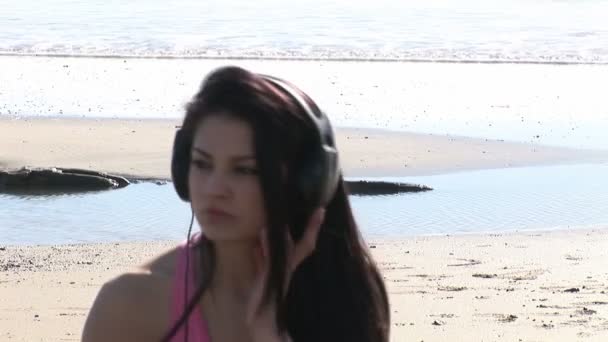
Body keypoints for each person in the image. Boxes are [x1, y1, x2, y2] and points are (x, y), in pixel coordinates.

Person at [81, 66, 390, 342]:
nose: (215, 189)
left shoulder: (346, 294)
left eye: (245, 170)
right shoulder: (130, 303)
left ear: (306, 182)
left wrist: (268, 333)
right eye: (202, 164)